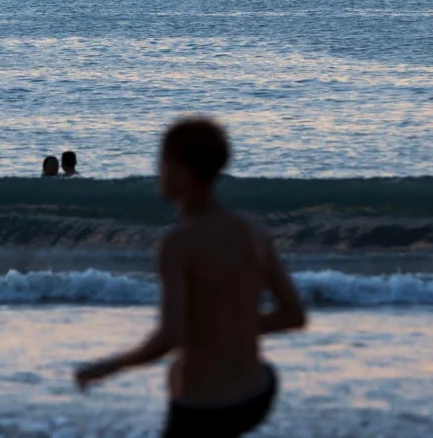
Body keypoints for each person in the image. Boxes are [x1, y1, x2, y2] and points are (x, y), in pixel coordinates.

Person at [74, 117, 307, 437]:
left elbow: (170, 337)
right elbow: (294, 315)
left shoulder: (178, 244)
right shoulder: (254, 233)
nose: (159, 172)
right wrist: (230, 325)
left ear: (182, 172)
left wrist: (107, 367)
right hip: (256, 395)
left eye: (163, 163)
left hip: (202, 407)